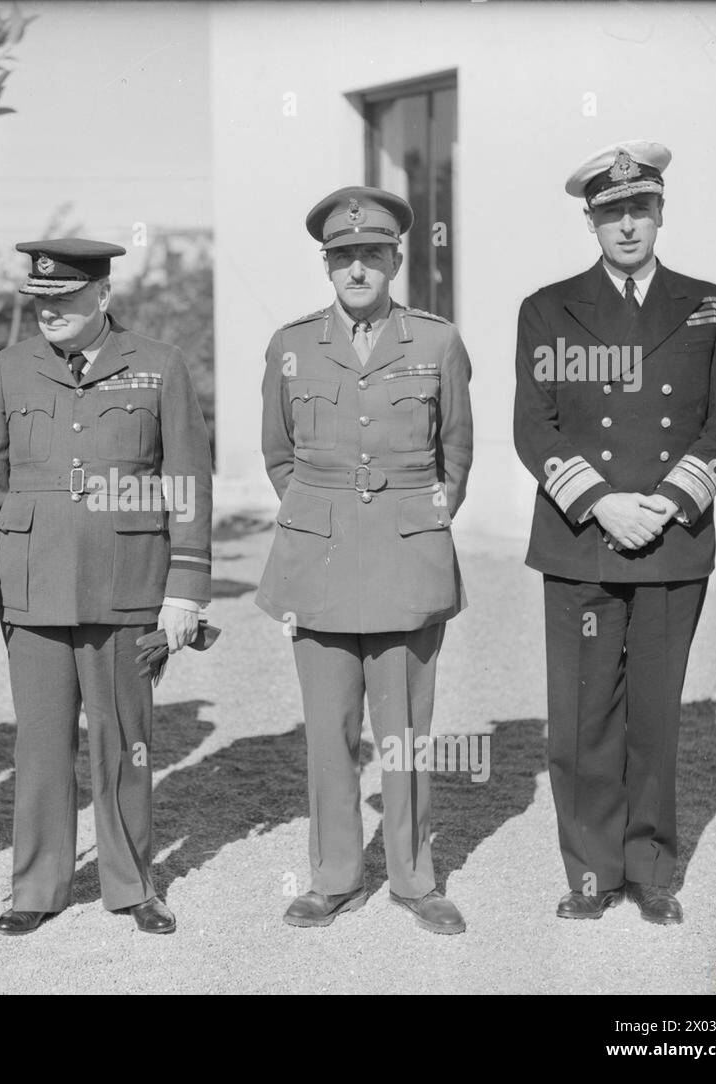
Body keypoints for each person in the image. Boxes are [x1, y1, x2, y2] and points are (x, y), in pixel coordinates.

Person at [514, 142, 716, 925]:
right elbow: (534, 425)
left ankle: (650, 870)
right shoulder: (548, 308)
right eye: (610, 212)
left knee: (654, 715)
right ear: (591, 219)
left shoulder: (709, 303)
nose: (625, 225)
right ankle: (590, 873)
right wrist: (602, 501)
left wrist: (668, 501)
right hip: (583, 536)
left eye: (638, 209)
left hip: (673, 538)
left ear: (659, 213)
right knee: (583, 719)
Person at [0, 238, 213, 936]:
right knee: (38, 745)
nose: (50, 313)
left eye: (65, 299)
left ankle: (131, 884)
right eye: (39, 301)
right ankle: (37, 885)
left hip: (126, 583)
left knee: (123, 740)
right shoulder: (8, 369)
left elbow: (187, 482)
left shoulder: (158, 366)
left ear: (102, 295)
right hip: (32, 584)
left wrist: (185, 588)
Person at [257, 187, 473, 934]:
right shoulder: (290, 344)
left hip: (407, 557)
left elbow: (457, 456)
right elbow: (279, 454)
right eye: (343, 257)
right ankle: (336, 876)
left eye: (371, 256)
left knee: (406, 729)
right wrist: (324, 517)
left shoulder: (437, 342)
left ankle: (415, 878)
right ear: (327, 265)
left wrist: (418, 525)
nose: (357, 269)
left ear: (395, 260)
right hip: (316, 559)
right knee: (328, 728)